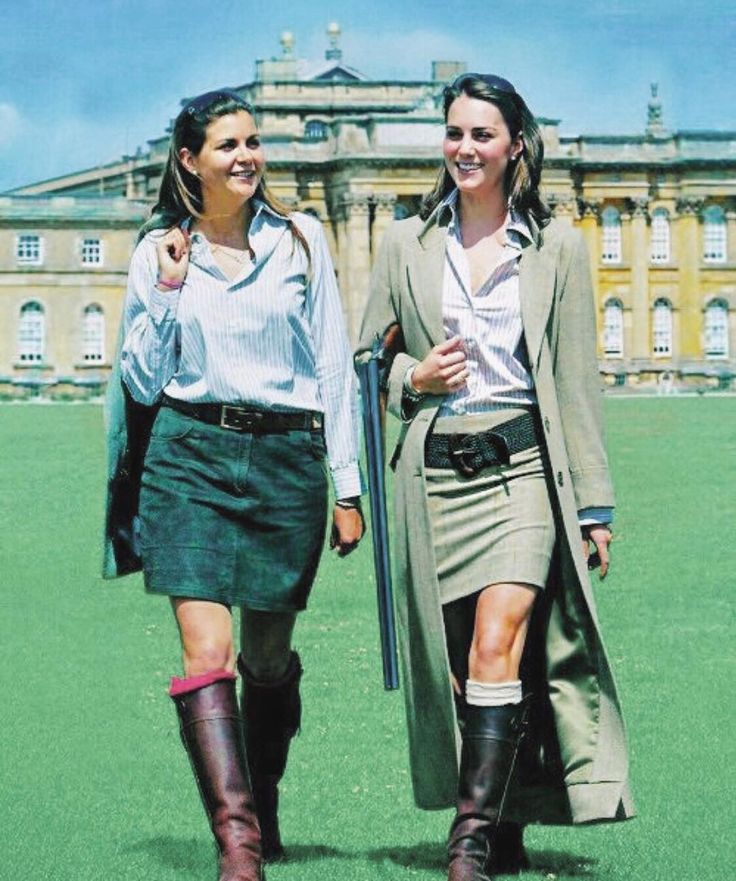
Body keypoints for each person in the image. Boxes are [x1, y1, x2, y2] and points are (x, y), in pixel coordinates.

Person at [356, 73, 634, 881]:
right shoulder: (404, 241)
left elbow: (576, 379)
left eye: (482, 134)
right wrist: (415, 376)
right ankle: (503, 814)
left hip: (521, 471)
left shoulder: (558, 246)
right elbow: (371, 358)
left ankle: (469, 839)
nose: (465, 148)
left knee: (497, 640)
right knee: (462, 667)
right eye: (454, 133)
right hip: (435, 474)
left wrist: (593, 504)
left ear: (516, 143)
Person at [104, 89, 364, 881]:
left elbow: (332, 368)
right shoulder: (158, 250)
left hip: (287, 461)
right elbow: (143, 379)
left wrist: (346, 486)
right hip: (189, 457)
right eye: (228, 145)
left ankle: (263, 796)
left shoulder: (305, 241)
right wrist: (171, 288)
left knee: (267, 657)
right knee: (206, 650)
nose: (247, 156)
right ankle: (239, 844)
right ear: (190, 160)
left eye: (253, 142)